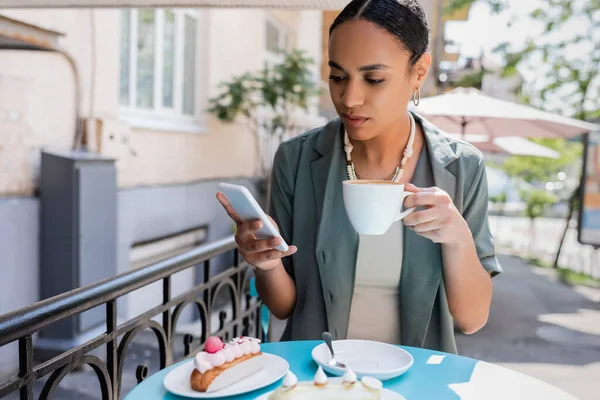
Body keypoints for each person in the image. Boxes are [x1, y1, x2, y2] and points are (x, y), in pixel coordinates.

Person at [217, 0, 502, 354]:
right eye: (337, 76)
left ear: (419, 71)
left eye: (374, 79)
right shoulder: (298, 158)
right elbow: (284, 307)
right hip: (317, 377)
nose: (349, 98)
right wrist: (267, 263)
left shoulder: (460, 166)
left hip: (414, 384)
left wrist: (458, 238)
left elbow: (472, 319)